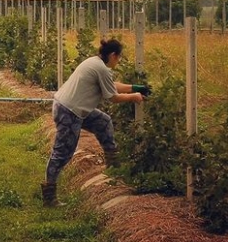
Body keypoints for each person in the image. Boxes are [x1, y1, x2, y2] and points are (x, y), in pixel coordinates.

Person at [41, 38, 151, 207]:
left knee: (103, 121)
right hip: (69, 112)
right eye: (119, 57)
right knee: (63, 152)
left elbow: (111, 85)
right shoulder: (101, 68)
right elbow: (112, 97)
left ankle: (114, 169)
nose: (118, 61)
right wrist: (134, 97)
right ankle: (49, 196)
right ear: (113, 55)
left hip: (70, 107)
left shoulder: (95, 63)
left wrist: (135, 88)